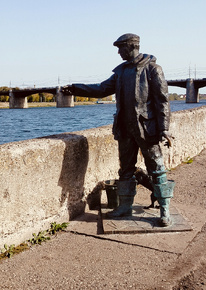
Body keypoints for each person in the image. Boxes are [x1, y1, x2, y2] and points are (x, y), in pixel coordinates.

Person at [61, 33, 174, 226]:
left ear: (131, 47)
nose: (119, 52)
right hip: (125, 128)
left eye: (120, 48)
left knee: (156, 169)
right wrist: (75, 88)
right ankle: (124, 207)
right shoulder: (121, 72)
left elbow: (162, 101)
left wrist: (164, 129)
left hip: (147, 129)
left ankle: (165, 210)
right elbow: (101, 89)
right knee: (125, 170)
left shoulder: (153, 69)